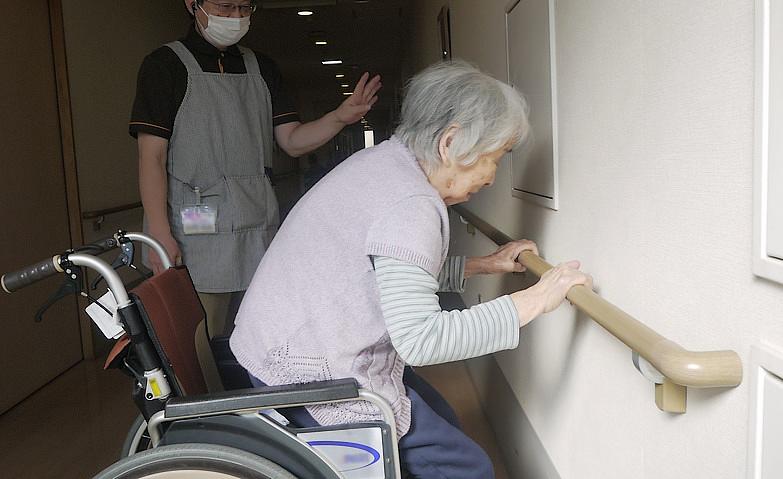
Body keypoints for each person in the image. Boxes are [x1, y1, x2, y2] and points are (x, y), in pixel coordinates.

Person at [229, 60, 592, 478]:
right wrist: (536, 299)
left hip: (278, 346)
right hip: (304, 372)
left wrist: (483, 264)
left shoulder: (385, 163)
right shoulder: (411, 203)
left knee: (442, 417)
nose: (492, 177)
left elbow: (385, 273)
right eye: (494, 158)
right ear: (451, 143)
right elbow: (422, 340)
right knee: (465, 468)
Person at [128, 0, 381, 385]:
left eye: (244, 8)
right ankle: (207, 415)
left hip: (257, 227)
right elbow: (152, 156)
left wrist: (338, 118)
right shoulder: (164, 66)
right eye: (224, 7)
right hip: (193, 232)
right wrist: (159, 234)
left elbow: (292, 141)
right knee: (199, 347)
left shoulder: (261, 67)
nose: (235, 17)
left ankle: (259, 413)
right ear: (192, 4)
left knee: (260, 340)